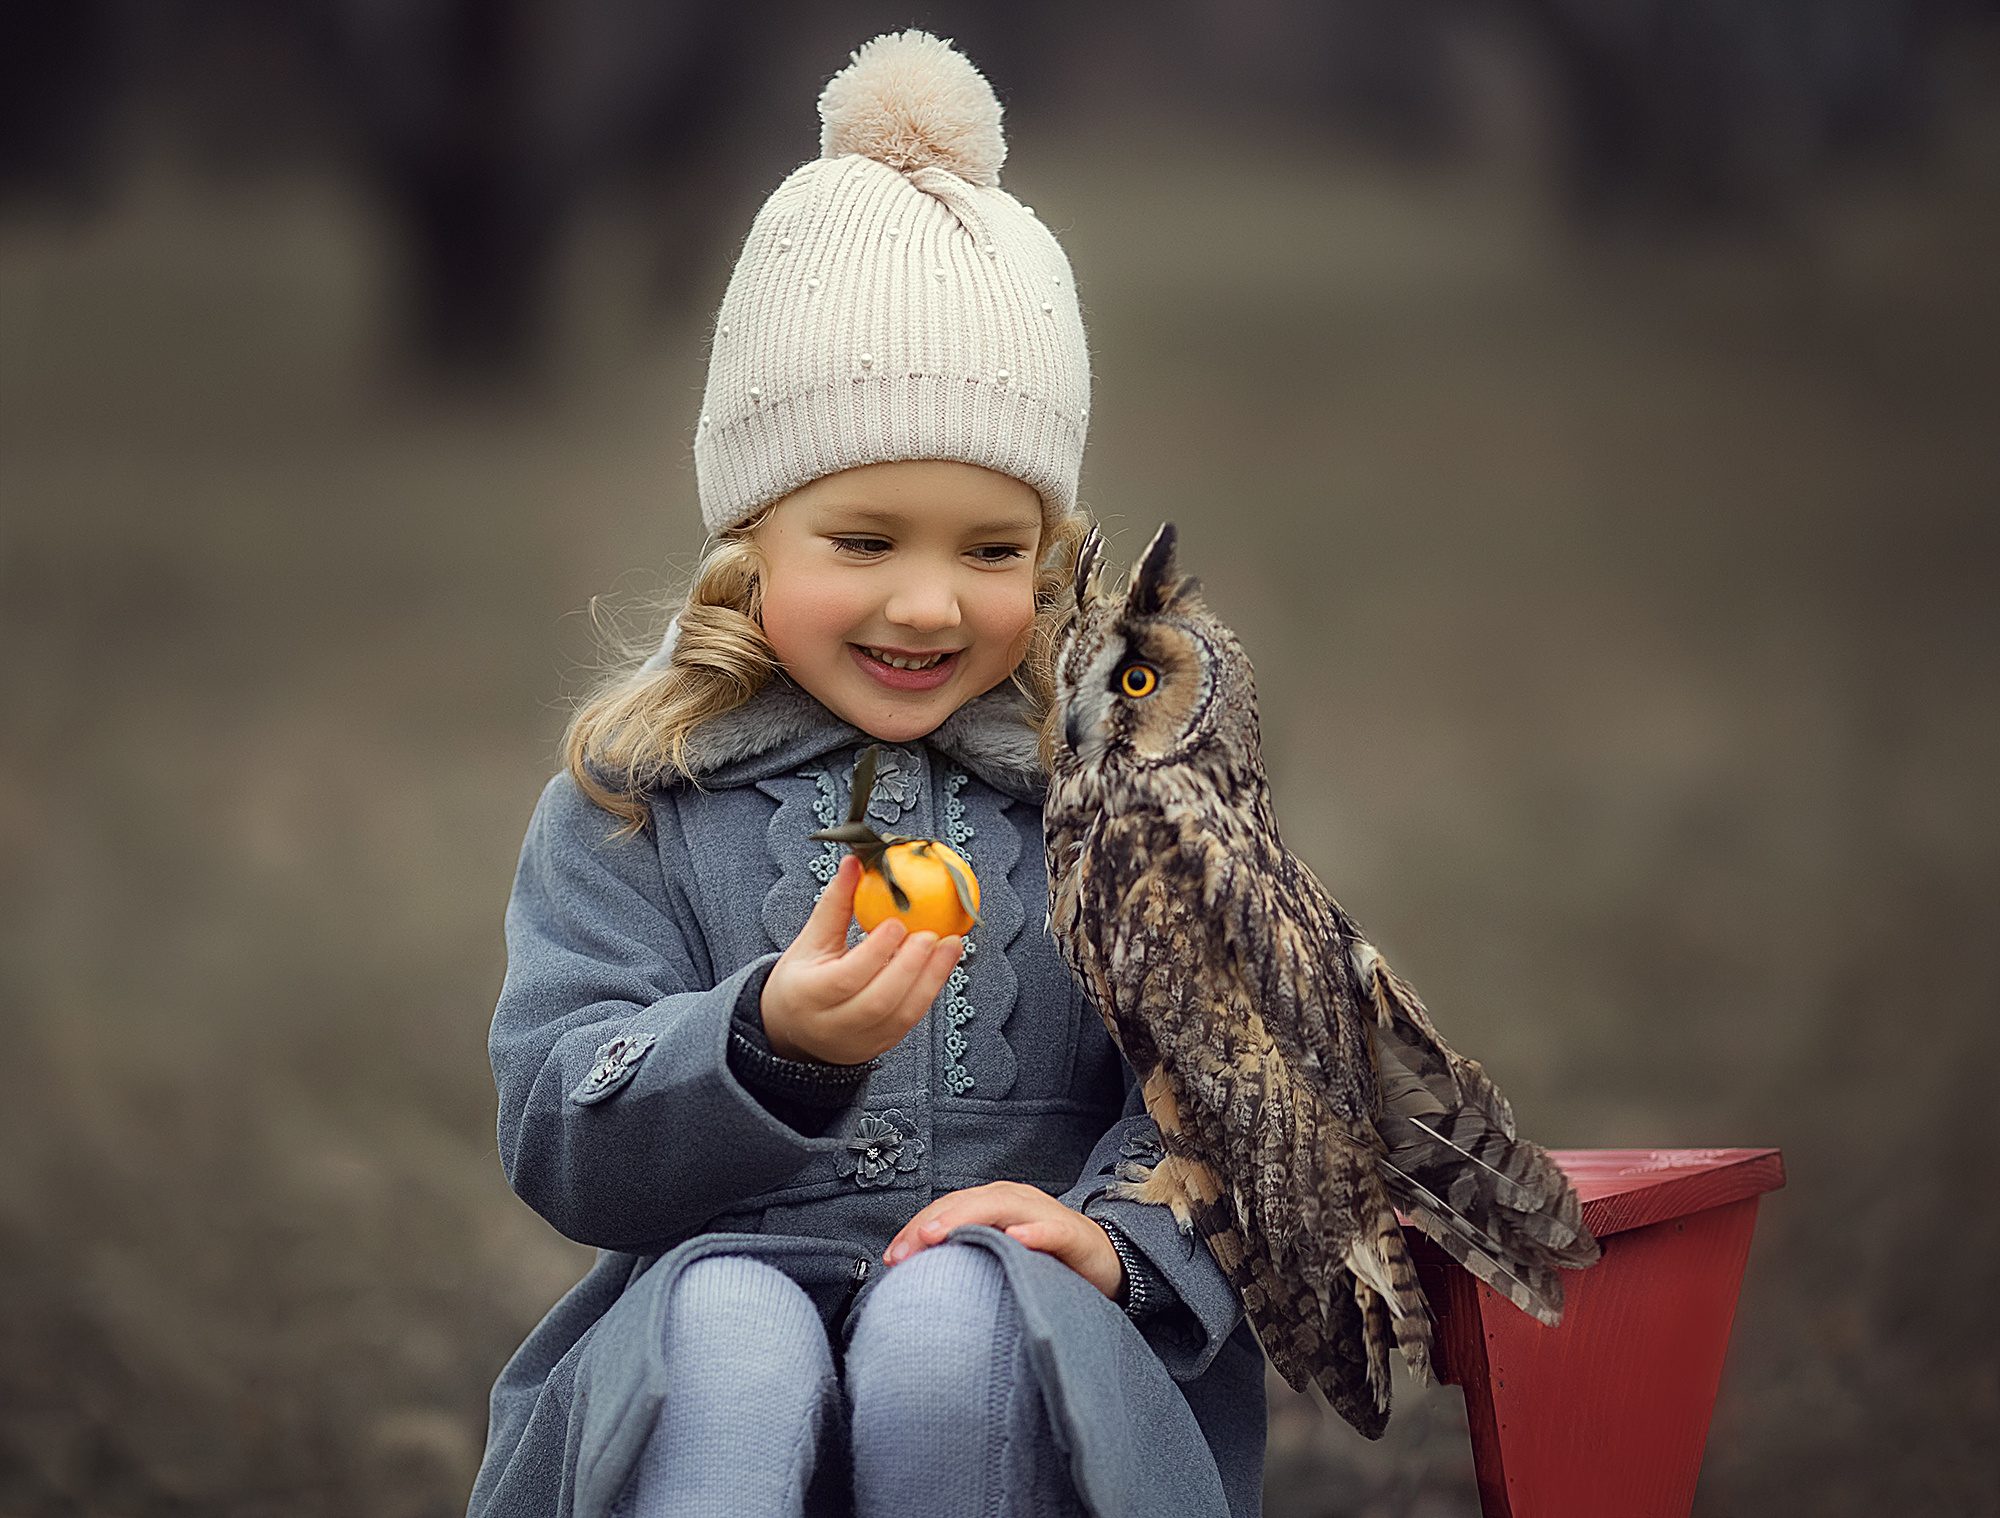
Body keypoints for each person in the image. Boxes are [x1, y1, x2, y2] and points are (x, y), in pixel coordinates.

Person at [467, 32, 1265, 1518]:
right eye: (863, 540)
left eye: (991, 550)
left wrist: (1112, 1233)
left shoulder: (1108, 813)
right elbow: (559, 1122)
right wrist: (760, 1039)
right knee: (734, 1329)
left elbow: (1222, 1089)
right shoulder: (642, 797)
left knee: (954, 1315)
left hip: (1021, 1358)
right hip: (717, 1333)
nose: (927, 605)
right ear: (748, 542)